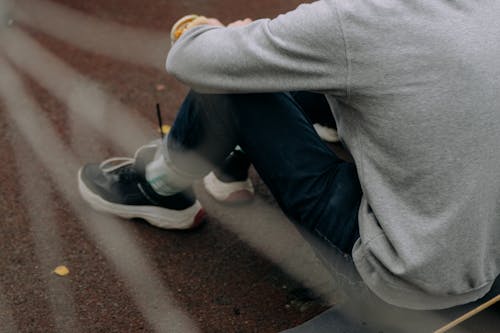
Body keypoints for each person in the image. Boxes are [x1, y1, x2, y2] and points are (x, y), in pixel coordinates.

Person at [78, 0, 500, 329]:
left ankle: (160, 186)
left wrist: (203, 28)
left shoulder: (354, 20)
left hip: (404, 283)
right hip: (488, 257)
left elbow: (192, 60)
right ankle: (243, 152)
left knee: (232, 84)